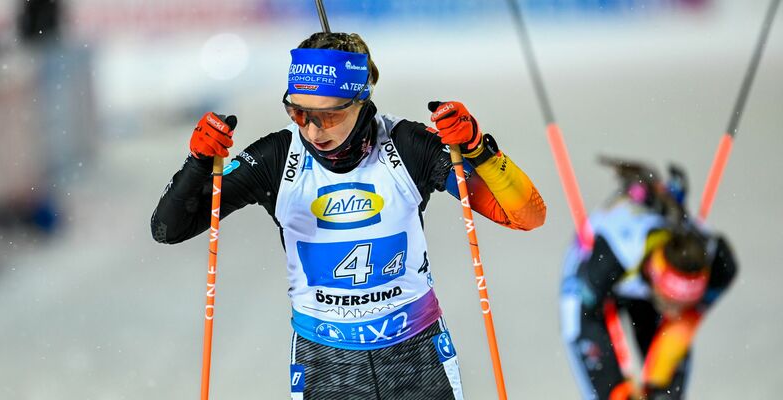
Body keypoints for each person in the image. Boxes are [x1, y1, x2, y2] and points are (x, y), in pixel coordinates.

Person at [151, 32, 546, 399]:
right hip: (325, 361)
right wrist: (197, 164)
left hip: (416, 354)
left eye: (329, 117)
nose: (313, 130)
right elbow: (168, 229)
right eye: (299, 113)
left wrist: (478, 149)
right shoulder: (276, 156)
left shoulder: (407, 146)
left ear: (361, 101)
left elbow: (526, 216)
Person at [559, 157, 737, 400]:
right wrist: (616, 390)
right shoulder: (612, 257)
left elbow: (679, 329)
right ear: (655, 274)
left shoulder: (719, 265)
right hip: (594, 280)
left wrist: (659, 383)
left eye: (682, 304)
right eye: (669, 301)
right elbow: (583, 321)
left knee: (667, 392)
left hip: (646, 292)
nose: (674, 310)